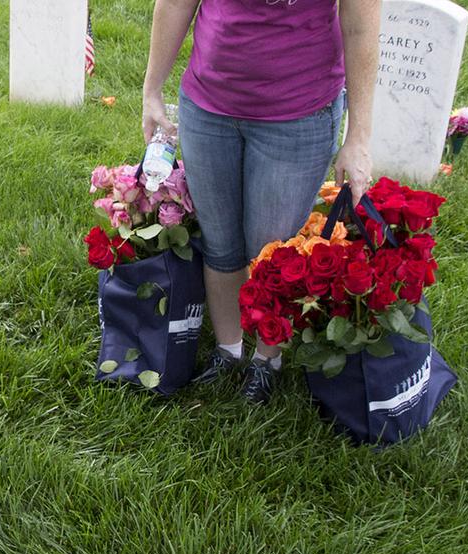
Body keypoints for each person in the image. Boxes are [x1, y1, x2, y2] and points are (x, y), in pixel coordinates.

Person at [142, 0, 380, 403]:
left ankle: (266, 361)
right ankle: (229, 350)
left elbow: (360, 25)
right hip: (208, 105)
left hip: (297, 117)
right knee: (220, 242)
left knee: (271, 253)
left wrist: (358, 138)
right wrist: (152, 89)